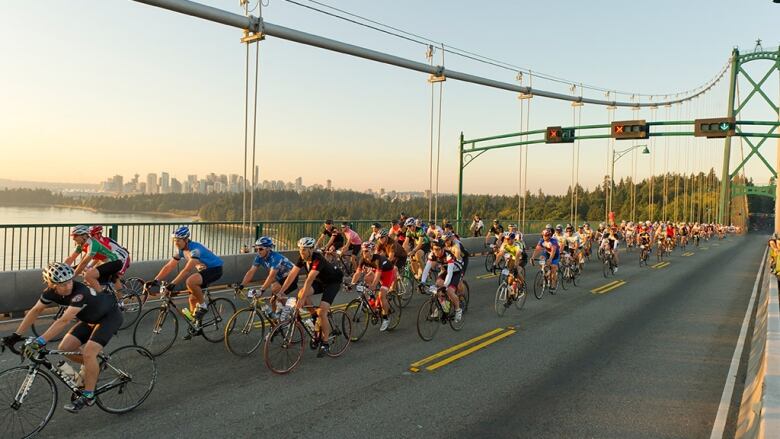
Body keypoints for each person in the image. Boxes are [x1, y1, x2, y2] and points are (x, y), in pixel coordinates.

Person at [1, 262, 122, 412]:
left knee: (89, 353)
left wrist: (40, 341)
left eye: (70, 281)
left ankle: (89, 396)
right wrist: (16, 335)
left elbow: (63, 320)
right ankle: (94, 365)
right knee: (65, 347)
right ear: (52, 284)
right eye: (62, 284)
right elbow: (35, 310)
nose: (68, 286)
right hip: (90, 320)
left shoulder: (80, 292)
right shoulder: (50, 293)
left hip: (109, 317)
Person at [146, 226, 223, 336]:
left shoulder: (195, 250)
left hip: (215, 269)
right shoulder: (181, 251)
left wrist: (172, 284)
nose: (176, 242)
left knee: (190, 281)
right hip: (204, 271)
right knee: (192, 299)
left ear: (186, 240)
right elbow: (169, 266)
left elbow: (187, 270)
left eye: (178, 240)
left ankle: (203, 306)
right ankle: (197, 326)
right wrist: (155, 280)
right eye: (174, 240)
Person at [278, 237, 343, 357]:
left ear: (311, 249)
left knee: (322, 312)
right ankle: (314, 316)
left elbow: (309, 280)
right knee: (301, 293)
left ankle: (325, 342)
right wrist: (281, 292)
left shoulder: (318, 259)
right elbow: (292, 275)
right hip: (320, 281)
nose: (301, 252)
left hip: (332, 282)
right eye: (300, 250)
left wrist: (302, 300)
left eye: (304, 250)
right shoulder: (302, 258)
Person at [238, 236, 297, 314]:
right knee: (272, 301)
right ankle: (276, 321)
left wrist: (261, 290)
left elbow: (271, 276)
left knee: (275, 288)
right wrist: (241, 285)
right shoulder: (259, 257)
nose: (258, 251)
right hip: (280, 279)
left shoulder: (276, 258)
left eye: (261, 249)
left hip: (291, 277)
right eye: (256, 249)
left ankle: (292, 313)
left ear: (268, 248)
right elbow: (251, 271)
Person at [350, 241, 397, 331]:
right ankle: (372, 300)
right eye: (363, 251)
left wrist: (373, 286)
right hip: (377, 271)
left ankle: (386, 318)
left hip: (387, 273)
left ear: (371, 251)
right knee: (367, 279)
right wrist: (351, 284)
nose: (364, 253)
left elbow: (378, 276)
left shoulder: (378, 259)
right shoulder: (363, 259)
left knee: (382, 295)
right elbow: (357, 273)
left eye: (366, 251)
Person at [64, 225, 122, 292]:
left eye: (75, 236)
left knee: (88, 275)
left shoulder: (93, 244)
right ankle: (97, 294)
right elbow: (71, 258)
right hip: (103, 262)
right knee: (84, 273)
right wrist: (62, 267)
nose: (73, 238)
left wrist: (72, 276)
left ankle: (102, 298)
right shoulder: (80, 245)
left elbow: (84, 263)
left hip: (114, 262)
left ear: (84, 236)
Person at [420, 239, 464, 322]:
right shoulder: (432, 254)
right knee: (438, 285)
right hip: (446, 270)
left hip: (456, 271)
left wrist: (445, 285)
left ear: (443, 248)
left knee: (449, 291)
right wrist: (422, 282)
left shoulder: (448, 256)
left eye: (438, 249)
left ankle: (458, 310)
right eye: (433, 249)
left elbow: (450, 273)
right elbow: (426, 269)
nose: (436, 251)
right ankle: (445, 307)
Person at [88, 225, 131, 299]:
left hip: (123, 258)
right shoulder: (95, 242)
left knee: (115, 277)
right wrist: (89, 267)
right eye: (90, 235)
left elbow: (102, 257)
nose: (90, 237)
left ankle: (121, 302)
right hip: (112, 259)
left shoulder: (105, 242)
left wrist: (89, 266)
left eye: (92, 235)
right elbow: (100, 258)